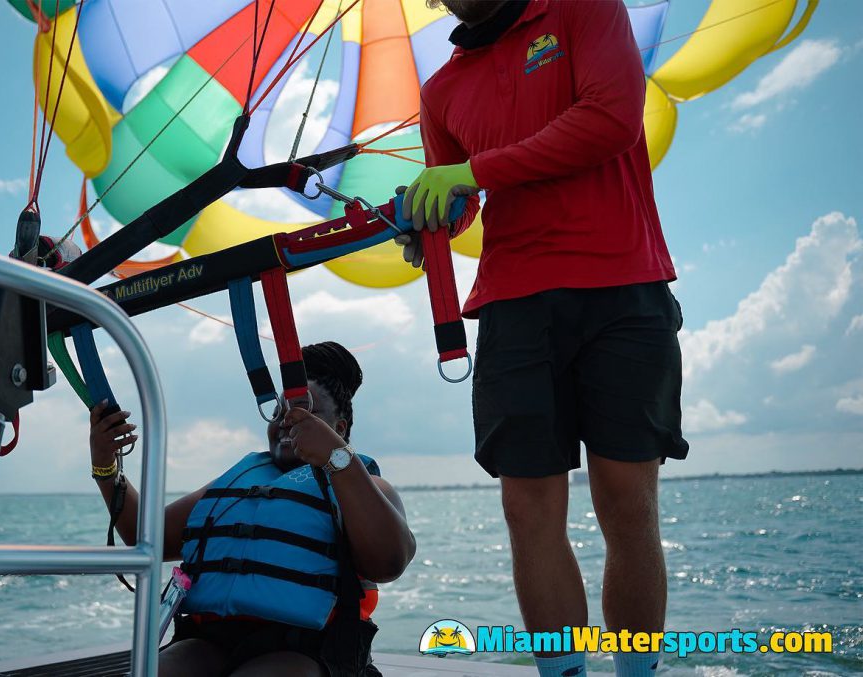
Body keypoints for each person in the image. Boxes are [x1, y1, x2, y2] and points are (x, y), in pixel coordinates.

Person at [395, 1, 689, 676]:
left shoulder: (586, 9)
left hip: (623, 285)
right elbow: (463, 198)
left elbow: (609, 121)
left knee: (627, 499)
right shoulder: (441, 89)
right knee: (528, 508)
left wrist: (468, 175)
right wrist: (427, 217)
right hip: (513, 300)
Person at [88, 341, 415, 676]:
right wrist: (106, 466)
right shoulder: (242, 479)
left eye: (306, 411)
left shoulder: (364, 486)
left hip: (310, 647)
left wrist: (338, 459)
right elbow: (144, 535)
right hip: (209, 641)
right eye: (277, 413)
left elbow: (388, 563)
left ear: (340, 428)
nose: (286, 420)